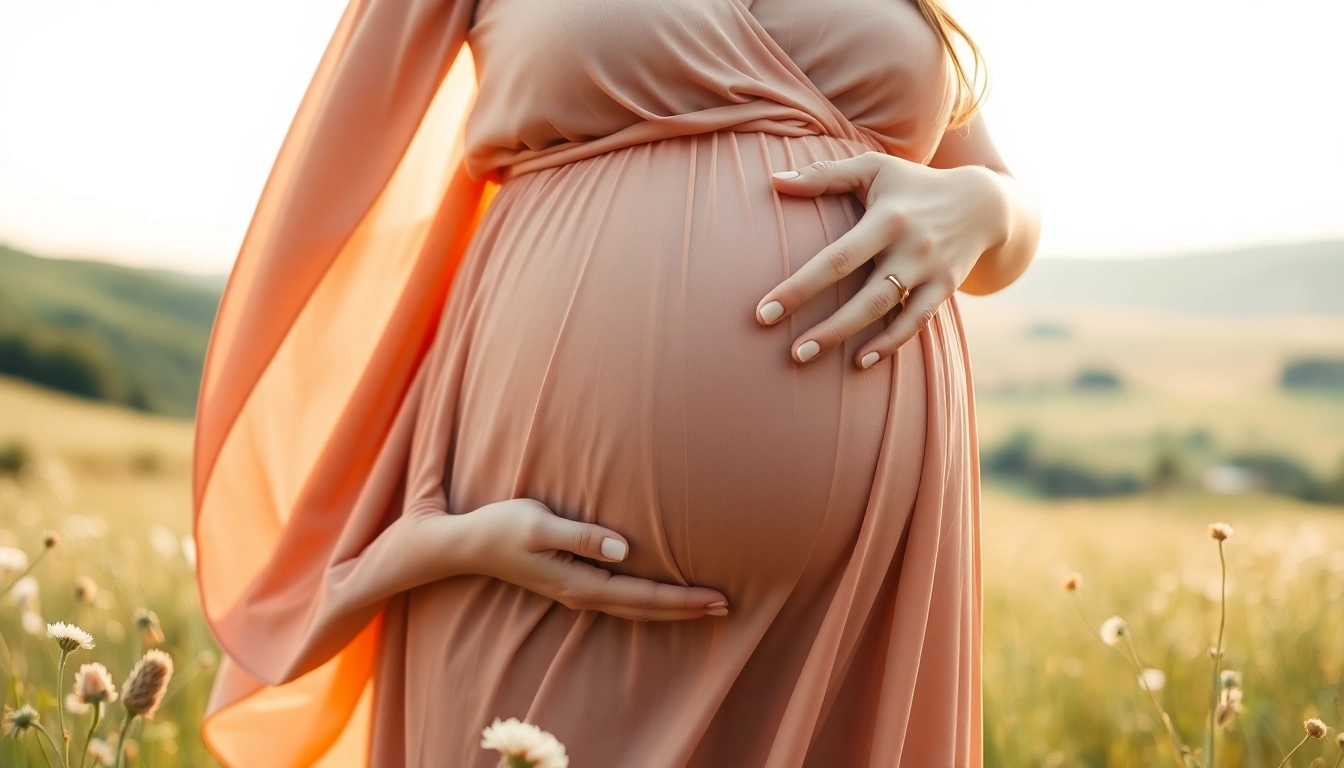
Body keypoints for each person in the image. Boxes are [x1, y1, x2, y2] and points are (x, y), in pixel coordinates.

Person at [192, 0, 1041, 765]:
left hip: (858, 591)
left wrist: (988, 209)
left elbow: (1001, 207)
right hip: (528, 557)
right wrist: (390, 544)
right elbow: (326, 215)